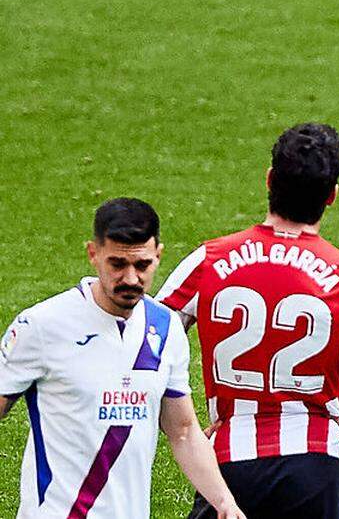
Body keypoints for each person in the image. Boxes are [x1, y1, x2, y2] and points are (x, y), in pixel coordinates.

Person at [155, 123, 339, 518]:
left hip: (228, 461)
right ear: (332, 195)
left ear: (269, 180)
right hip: (315, 465)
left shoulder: (209, 261)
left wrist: (187, 428)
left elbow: (142, 343)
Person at [0, 198, 244, 518]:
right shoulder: (44, 325)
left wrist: (225, 503)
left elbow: (183, 431)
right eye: (117, 264)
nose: (131, 278)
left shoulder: (165, 327)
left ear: (158, 255)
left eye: (142, 265)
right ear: (93, 254)